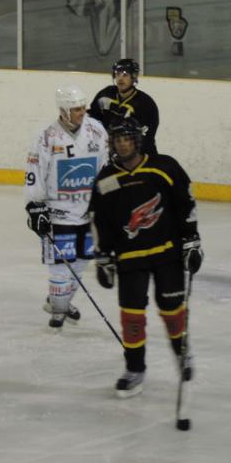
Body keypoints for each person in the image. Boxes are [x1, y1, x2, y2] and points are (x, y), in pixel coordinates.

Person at [88, 117, 203, 398]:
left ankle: (182, 353)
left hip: (167, 253)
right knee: (132, 314)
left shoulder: (164, 167)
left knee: (172, 309)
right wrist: (103, 256)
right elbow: (100, 221)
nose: (123, 144)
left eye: (127, 139)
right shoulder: (106, 180)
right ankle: (135, 368)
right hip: (130, 257)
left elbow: (185, 202)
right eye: (118, 139)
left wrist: (191, 239)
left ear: (137, 141)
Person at [24, 85, 108, 331]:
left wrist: (107, 202)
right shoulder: (46, 136)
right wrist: (35, 206)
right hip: (58, 214)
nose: (82, 112)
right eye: (76, 109)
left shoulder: (97, 130)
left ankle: (59, 301)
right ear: (63, 110)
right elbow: (34, 173)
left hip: (89, 213)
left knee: (81, 263)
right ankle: (59, 309)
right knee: (60, 269)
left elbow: (105, 167)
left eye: (83, 107)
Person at [88, 58, 160, 155]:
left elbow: (146, 138)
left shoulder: (145, 104)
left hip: (140, 157)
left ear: (133, 77)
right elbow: (93, 118)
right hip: (110, 154)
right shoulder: (105, 94)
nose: (120, 78)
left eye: (125, 75)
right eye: (117, 74)